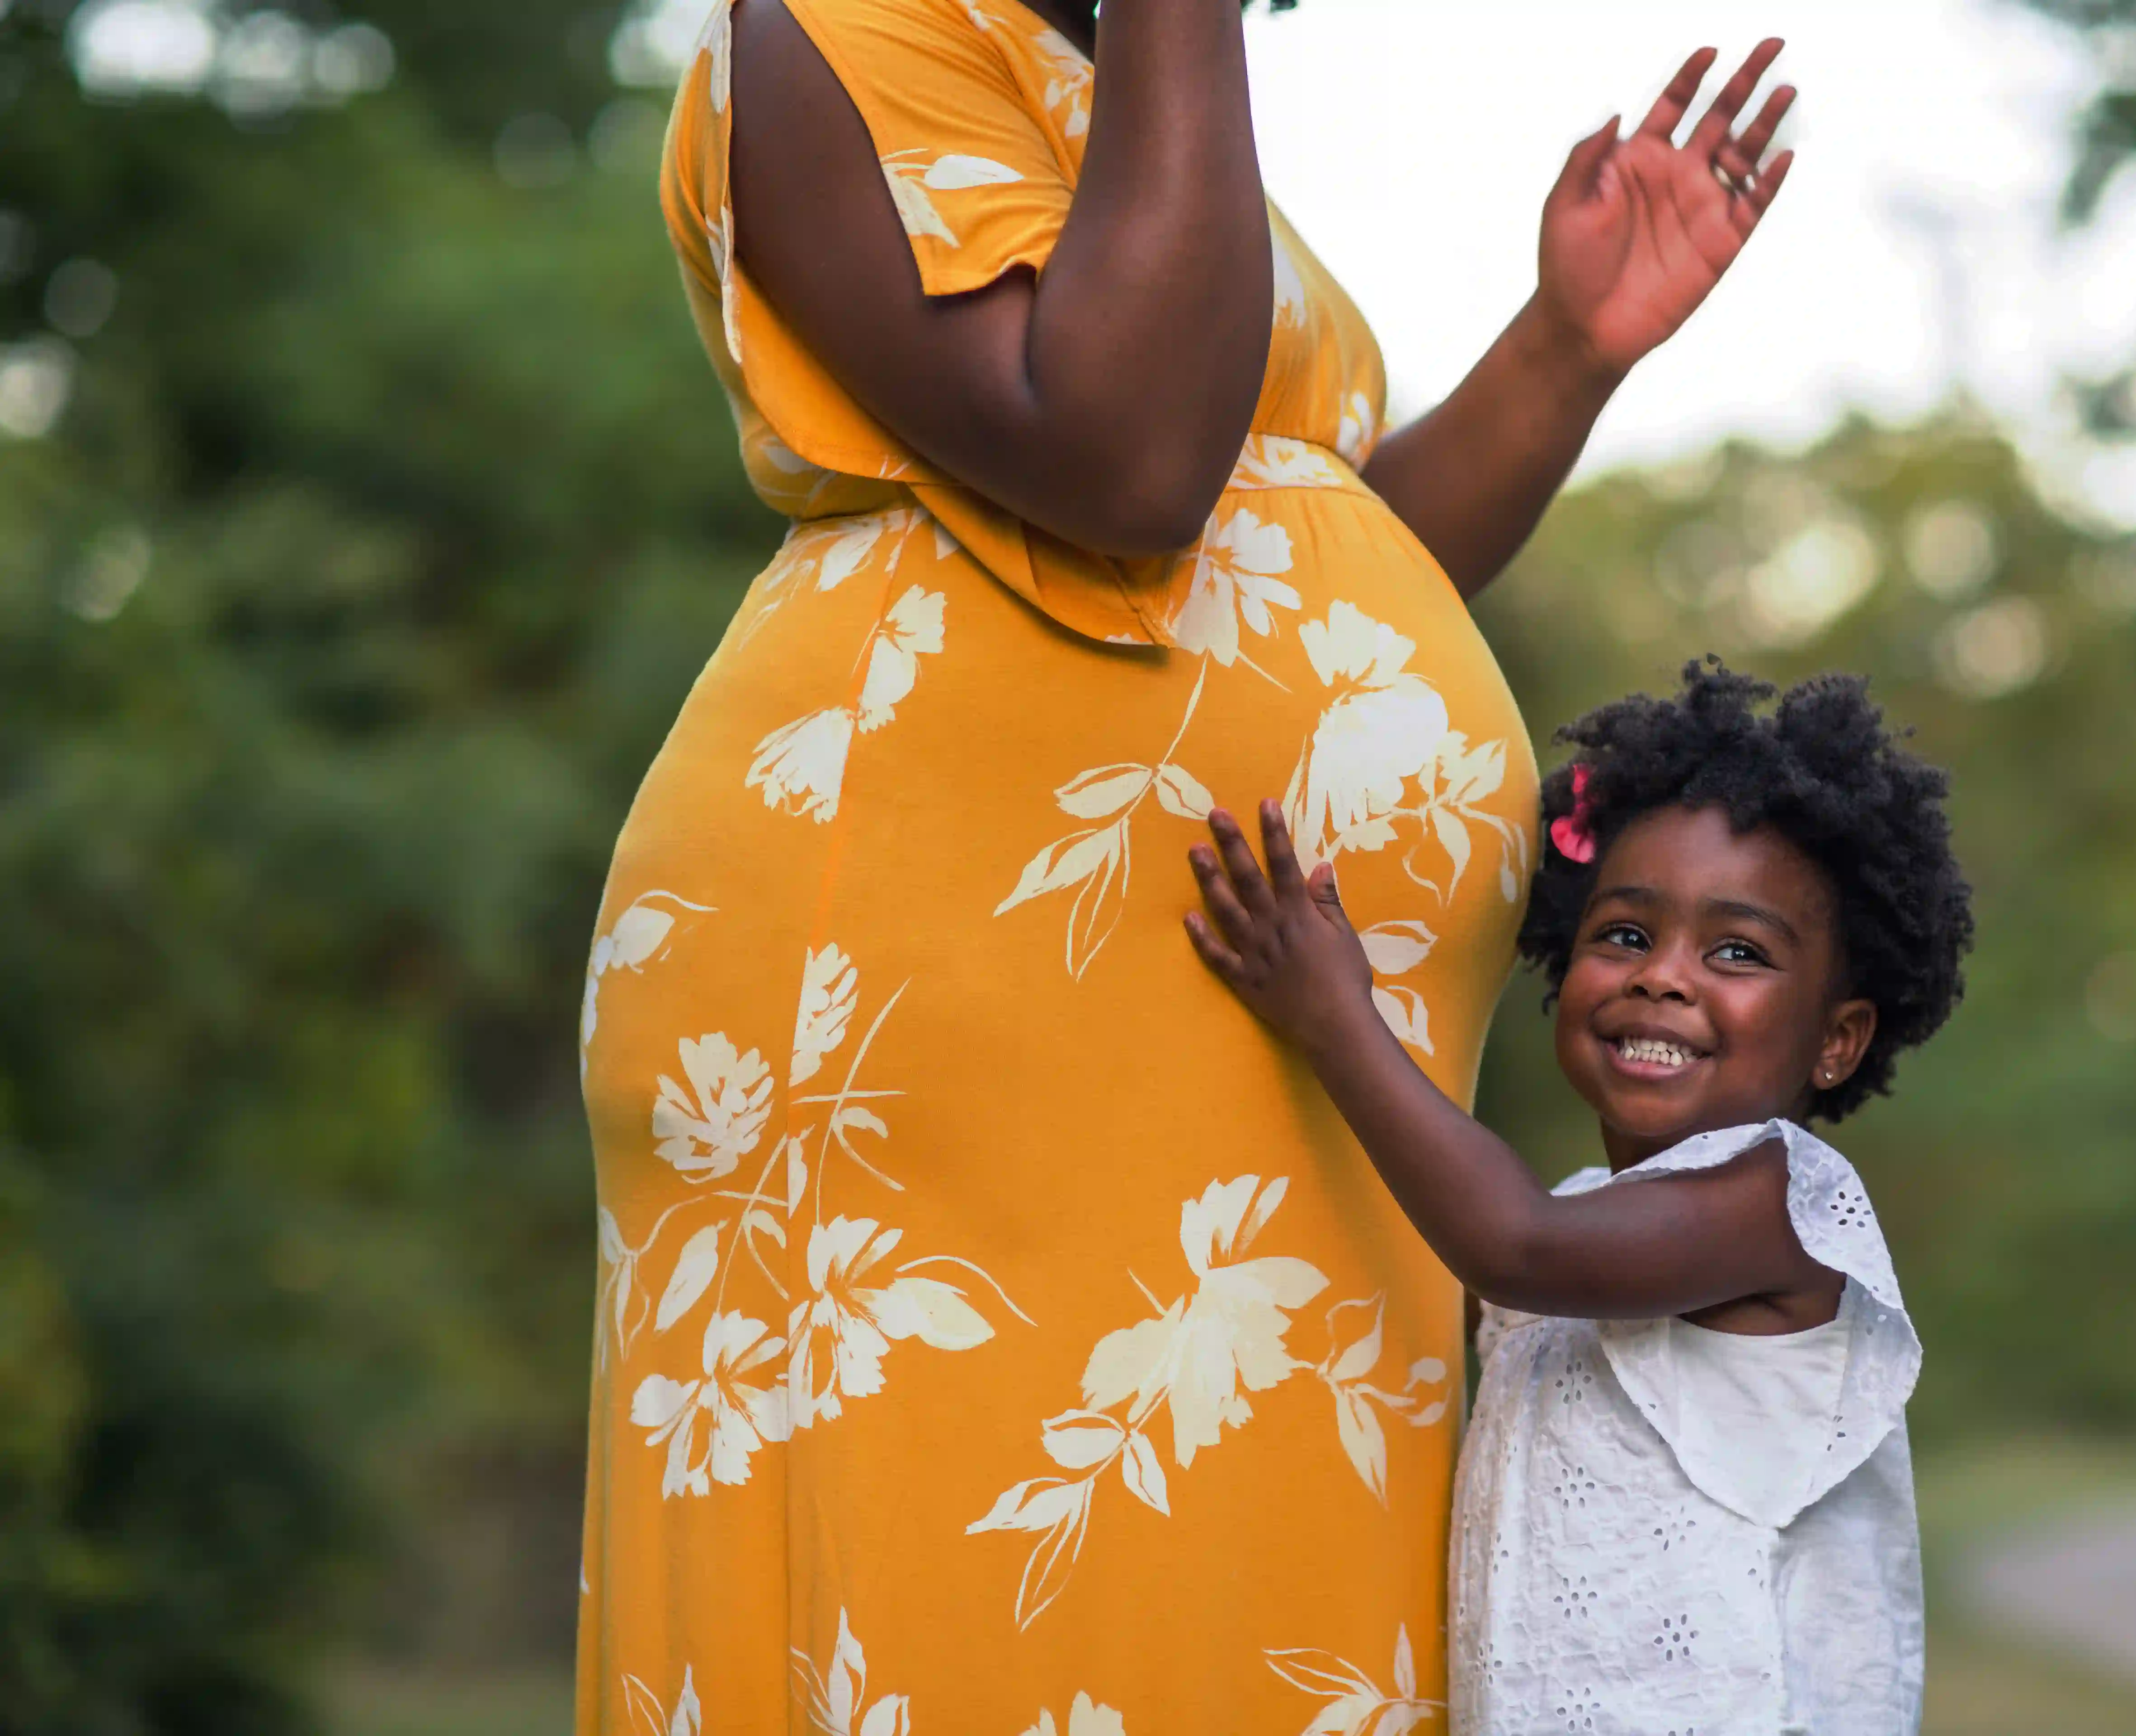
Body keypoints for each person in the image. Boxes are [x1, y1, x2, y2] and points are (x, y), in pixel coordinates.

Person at [576, 0, 1797, 1725]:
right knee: (974, 1595)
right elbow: (1128, 463)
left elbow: (1303, 566)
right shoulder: (852, 27)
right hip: (955, 981)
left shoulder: (1114, 79)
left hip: (1249, 1042)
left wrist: (1564, 349)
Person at [1183, 663, 1973, 1733]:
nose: (1663, 977)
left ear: (1838, 1039)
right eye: (1626, 935)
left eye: (1737, 952)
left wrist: (1335, 1017)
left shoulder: (1779, 1203)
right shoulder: (1582, 1222)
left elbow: (1514, 1242)